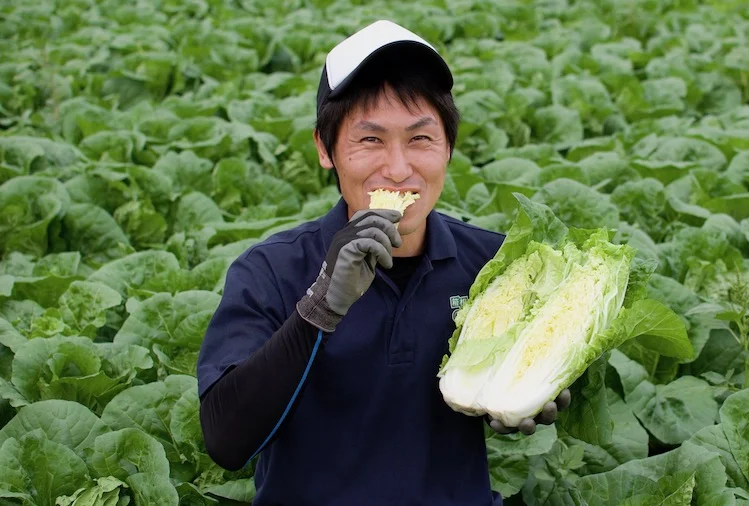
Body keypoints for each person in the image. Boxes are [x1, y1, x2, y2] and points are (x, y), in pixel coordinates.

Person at [196, 19, 570, 506]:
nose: (397, 169)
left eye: (420, 139)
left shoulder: (495, 264)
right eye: (370, 140)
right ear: (325, 149)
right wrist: (321, 305)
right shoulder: (271, 271)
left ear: (449, 146)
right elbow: (225, 441)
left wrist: (538, 386)